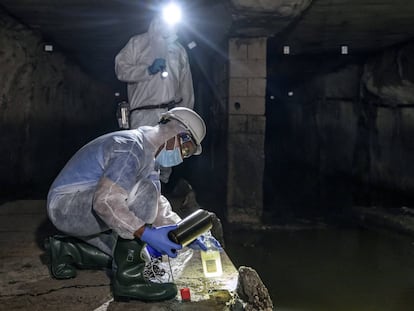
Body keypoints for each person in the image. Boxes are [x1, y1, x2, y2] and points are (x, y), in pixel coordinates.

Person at [44, 107, 220, 302]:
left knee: (133, 255)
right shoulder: (131, 148)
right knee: (143, 201)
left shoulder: (148, 152)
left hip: (80, 202)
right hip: (66, 206)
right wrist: (145, 232)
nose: (183, 156)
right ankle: (130, 281)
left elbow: (156, 204)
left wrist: (185, 233)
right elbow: (106, 201)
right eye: (186, 149)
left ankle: (65, 249)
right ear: (177, 133)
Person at [114, 15, 194, 130]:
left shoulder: (179, 50)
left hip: (171, 117)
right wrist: (147, 70)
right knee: (144, 147)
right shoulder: (137, 43)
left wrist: (185, 120)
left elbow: (186, 89)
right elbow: (121, 69)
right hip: (142, 117)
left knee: (170, 148)